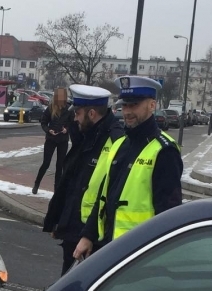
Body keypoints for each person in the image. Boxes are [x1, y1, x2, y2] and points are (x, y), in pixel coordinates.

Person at [73, 76, 182, 262]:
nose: (127, 112)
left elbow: (168, 214)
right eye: (125, 106)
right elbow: (103, 197)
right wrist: (88, 235)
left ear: (152, 105)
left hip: (140, 255)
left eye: (134, 105)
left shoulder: (164, 151)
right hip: (109, 246)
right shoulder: (121, 144)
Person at [43, 85, 123, 275]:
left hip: (92, 237)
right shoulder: (87, 135)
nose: (75, 118)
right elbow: (71, 184)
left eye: (77, 113)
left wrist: (89, 235)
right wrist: (59, 222)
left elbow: (108, 192)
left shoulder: (114, 141)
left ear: (92, 113)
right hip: (74, 231)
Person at [32, 87, 75, 195]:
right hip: (51, 139)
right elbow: (43, 122)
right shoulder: (51, 108)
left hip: (63, 140)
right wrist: (48, 130)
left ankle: (57, 190)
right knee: (46, 163)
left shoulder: (69, 109)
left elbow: (72, 124)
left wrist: (67, 129)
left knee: (59, 165)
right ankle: (37, 183)